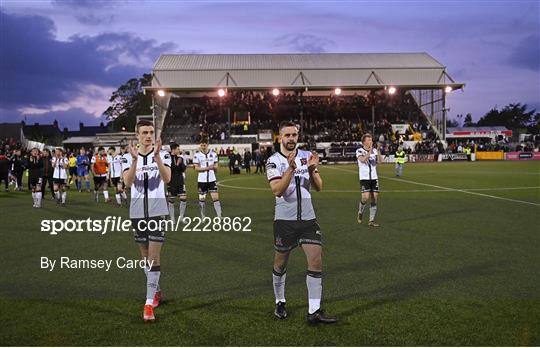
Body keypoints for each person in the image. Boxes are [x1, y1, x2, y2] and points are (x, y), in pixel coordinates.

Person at [266, 121, 337, 324]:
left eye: (294, 135)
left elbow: (319, 187)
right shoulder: (273, 161)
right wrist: (290, 169)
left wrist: (313, 170)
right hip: (284, 221)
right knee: (280, 264)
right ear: (280, 137)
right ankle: (280, 301)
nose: (291, 139)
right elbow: (277, 190)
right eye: (287, 135)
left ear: (298, 136)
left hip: (308, 219)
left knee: (315, 260)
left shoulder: (307, 157)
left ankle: (313, 311)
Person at [122, 119, 171, 322]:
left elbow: (167, 178)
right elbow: (127, 182)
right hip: (137, 213)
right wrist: (134, 161)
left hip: (157, 211)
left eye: (151, 132)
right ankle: (156, 289)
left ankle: (148, 304)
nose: (148, 135)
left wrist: (158, 157)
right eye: (144, 132)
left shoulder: (164, 153)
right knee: (144, 256)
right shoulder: (126, 157)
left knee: (153, 258)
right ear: (137, 135)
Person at [356, 134, 383, 227]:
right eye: (368, 140)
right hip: (364, 178)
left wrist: (378, 150)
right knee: (365, 198)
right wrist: (370, 151)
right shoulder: (359, 151)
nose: (370, 141)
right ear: (364, 142)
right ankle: (360, 211)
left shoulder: (375, 151)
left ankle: (371, 221)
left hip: (374, 178)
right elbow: (363, 160)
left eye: (371, 140)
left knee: (374, 199)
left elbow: (380, 161)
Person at [193, 138, 222, 218]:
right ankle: (203, 216)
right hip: (201, 181)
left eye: (204, 145)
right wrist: (208, 168)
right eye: (201, 145)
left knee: (215, 198)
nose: (203, 147)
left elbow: (216, 166)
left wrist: (214, 167)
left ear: (208, 144)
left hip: (212, 180)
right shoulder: (197, 155)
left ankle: (219, 216)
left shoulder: (213, 154)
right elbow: (196, 168)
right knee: (202, 199)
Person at [167, 143, 188, 222]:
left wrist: (180, 164)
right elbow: (169, 169)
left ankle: (181, 217)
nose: (179, 150)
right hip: (171, 182)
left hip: (180, 182)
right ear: (173, 150)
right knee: (171, 201)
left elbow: (183, 169)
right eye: (178, 149)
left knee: (183, 198)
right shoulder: (167, 158)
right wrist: (176, 164)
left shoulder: (180, 158)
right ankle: (172, 218)